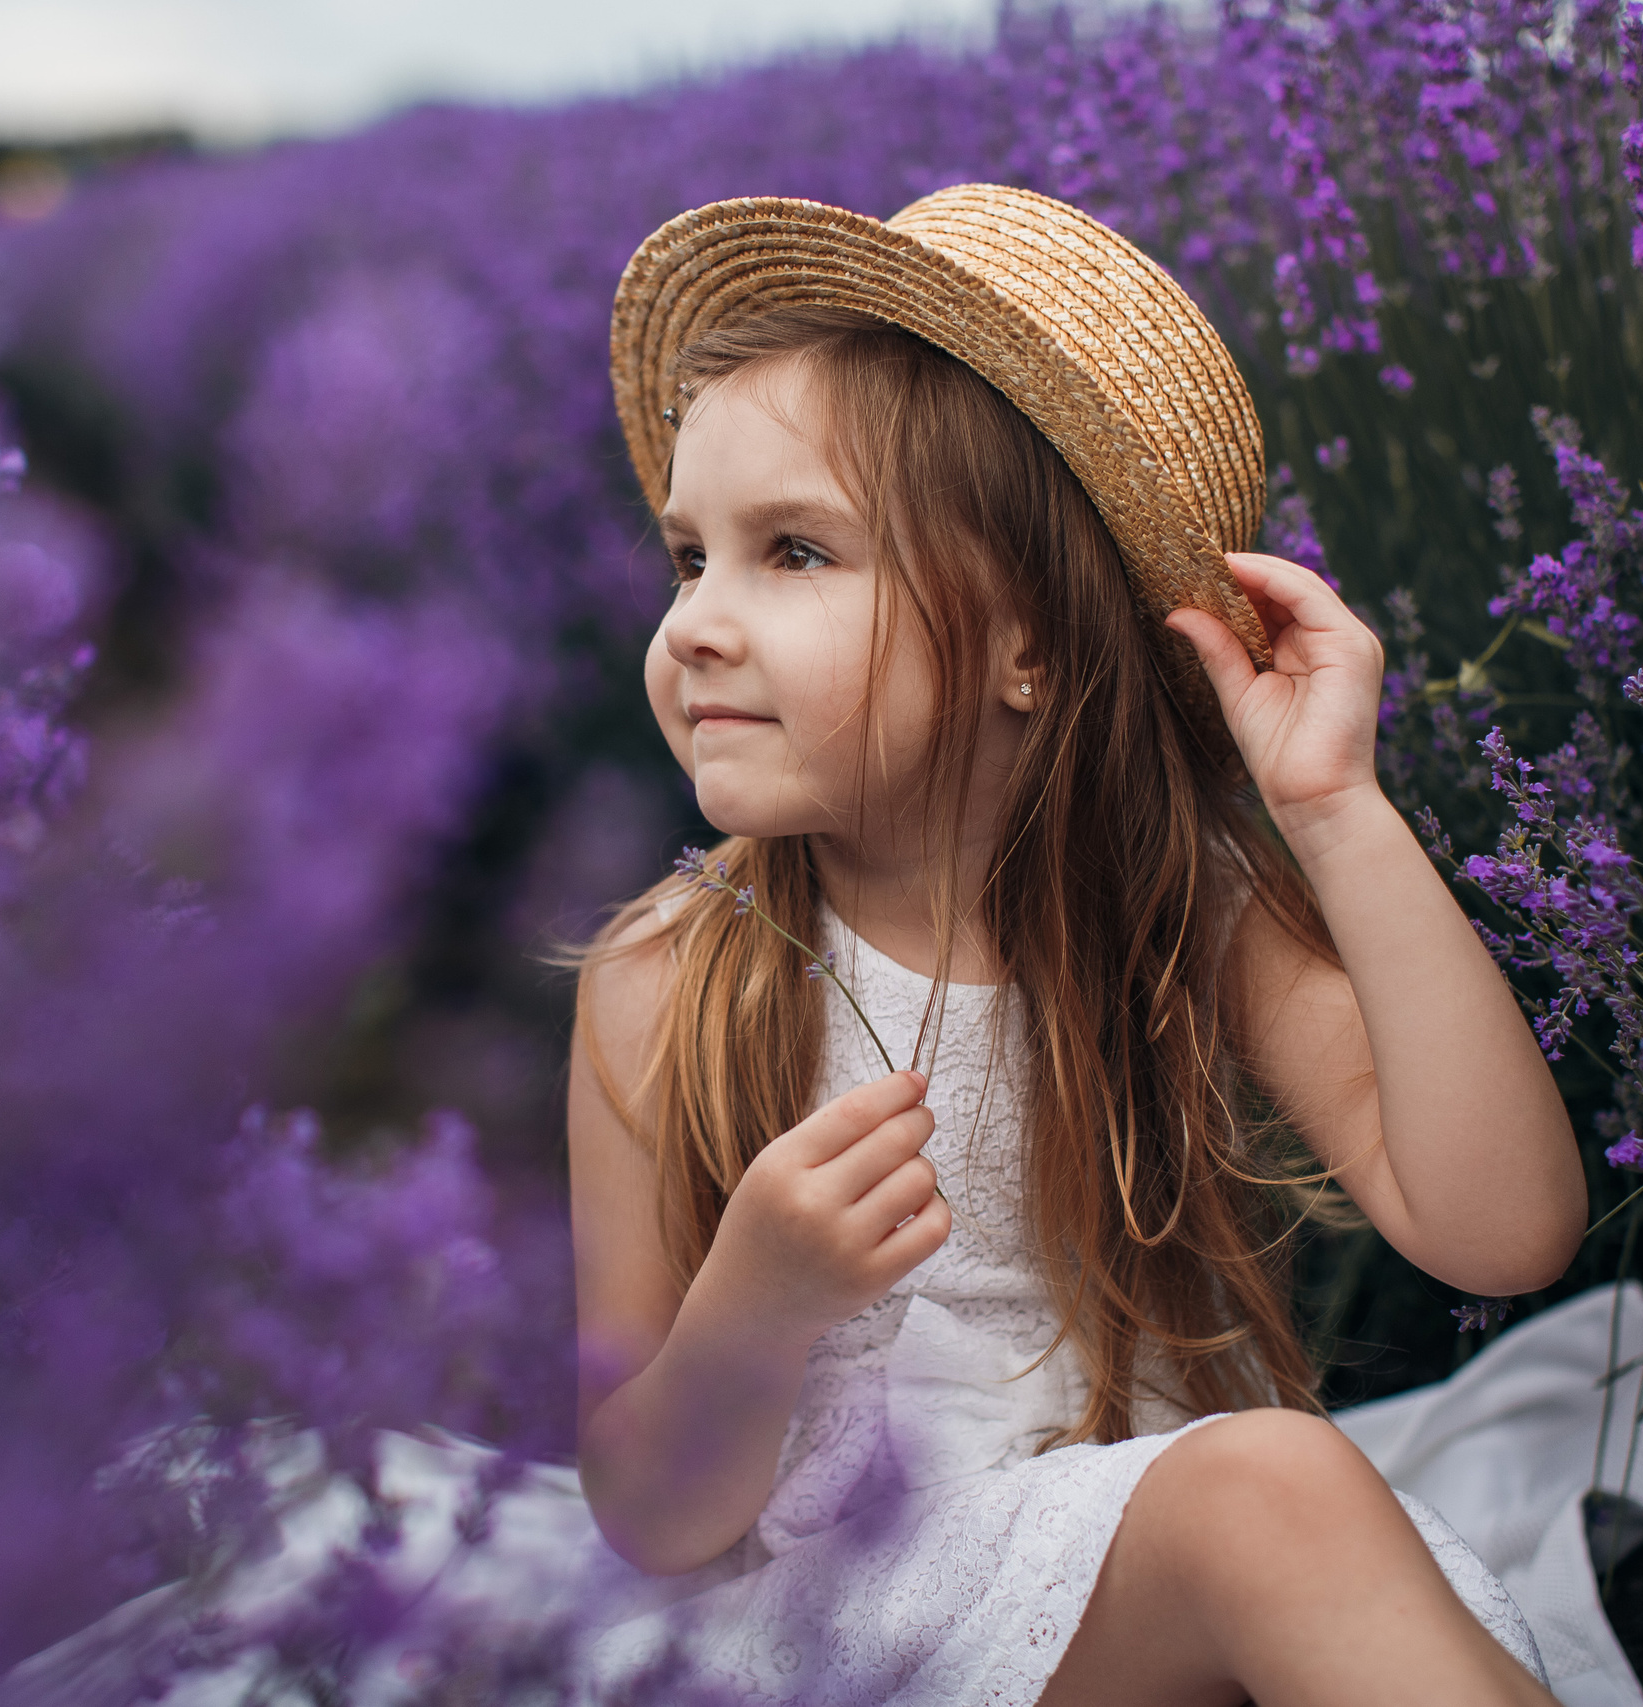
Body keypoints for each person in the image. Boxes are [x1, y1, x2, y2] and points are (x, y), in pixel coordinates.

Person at [566, 184, 1584, 1705]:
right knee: (1281, 1498)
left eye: (791, 553)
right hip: (844, 1630)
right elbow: (647, 1513)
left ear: (1030, 644)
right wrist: (756, 1303)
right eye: (687, 559)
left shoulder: (1174, 912)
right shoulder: (668, 981)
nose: (698, 622)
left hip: (1135, 1597)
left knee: (1275, 1499)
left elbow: (1501, 1229)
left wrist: (1335, 810)